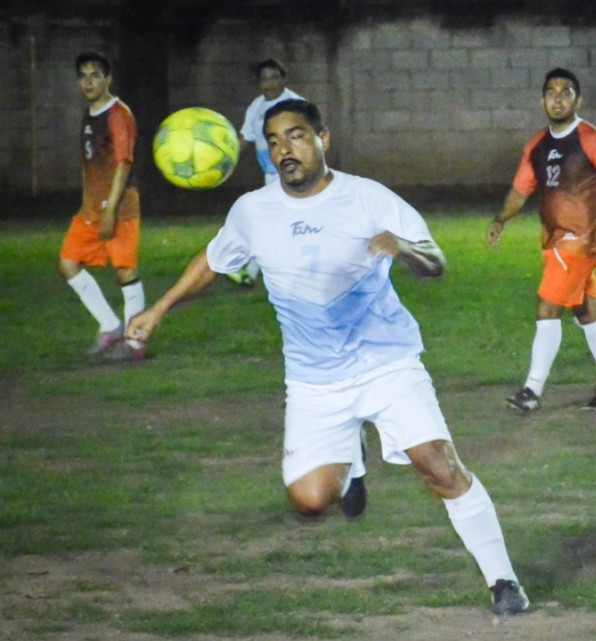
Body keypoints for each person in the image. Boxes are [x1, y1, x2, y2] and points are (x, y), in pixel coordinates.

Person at [126, 99, 529, 616]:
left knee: (439, 468)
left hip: (386, 363)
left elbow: (435, 261)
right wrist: (158, 310)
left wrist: (403, 248)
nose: (284, 150)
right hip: (314, 380)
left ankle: (503, 580)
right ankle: (353, 456)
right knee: (311, 501)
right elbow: (213, 261)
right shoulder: (253, 211)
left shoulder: (367, 198)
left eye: (295, 136)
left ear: (324, 139)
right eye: (274, 142)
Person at [487, 69, 596, 413]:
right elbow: (519, 192)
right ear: (542, 100)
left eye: (565, 92)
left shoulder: (593, 140)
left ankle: (531, 391)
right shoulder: (536, 146)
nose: (557, 99)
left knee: (547, 306)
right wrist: (500, 220)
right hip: (555, 243)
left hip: (579, 242)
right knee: (587, 312)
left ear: (578, 100)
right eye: (551, 93)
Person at [60, 51, 146, 362]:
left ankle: (135, 343)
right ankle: (110, 326)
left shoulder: (119, 115)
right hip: (90, 210)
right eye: (83, 76)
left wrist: (110, 210)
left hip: (119, 209)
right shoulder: (89, 114)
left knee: (125, 271)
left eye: (95, 75)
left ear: (108, 79)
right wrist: (89, 205)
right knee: (68, 263)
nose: (88, 82)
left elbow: (124, 163)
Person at [229, 58, 306, 287]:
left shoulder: (295, 105)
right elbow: (246, 138)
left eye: (274, 78)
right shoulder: (257, 107)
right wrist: (224, 161)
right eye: (264, 79)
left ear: (284, 79)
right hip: (271, 175)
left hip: (292, 175)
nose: (269, 83)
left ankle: (250, 271)